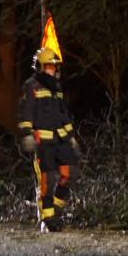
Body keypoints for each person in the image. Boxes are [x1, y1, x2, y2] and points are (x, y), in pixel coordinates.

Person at [18, 47, 81, 232]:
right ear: (39, 67)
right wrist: (28, 133)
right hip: (43, 140)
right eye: (49, 66)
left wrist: (71, 138)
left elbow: (63, 114)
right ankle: (48, 217)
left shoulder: (57, 89)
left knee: (71, 173)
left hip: (60, 139)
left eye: (54, 66)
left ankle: (56, 207)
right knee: (48, 178)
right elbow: (26, 111)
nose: (53, 70)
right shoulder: (31, 86)